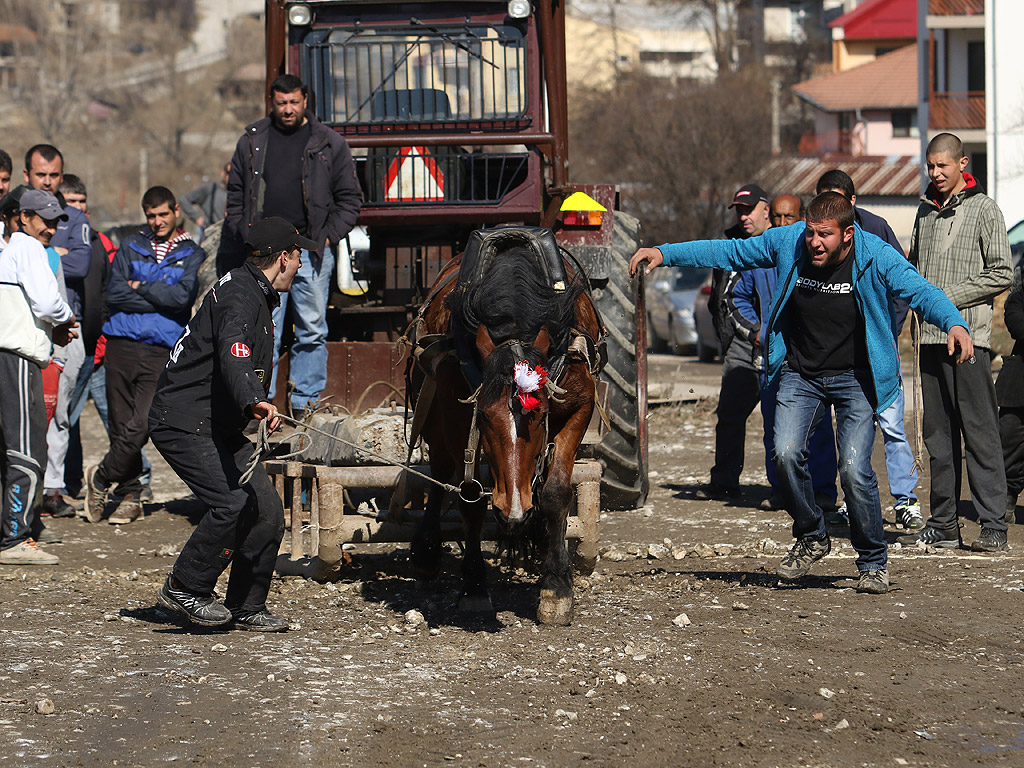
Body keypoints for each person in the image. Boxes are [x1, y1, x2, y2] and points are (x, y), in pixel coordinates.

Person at [629, 192, 973, 594]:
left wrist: (953, 323)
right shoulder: (788, 241)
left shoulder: (875, 254)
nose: (814, 242)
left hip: (856, 378)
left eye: (824, 235)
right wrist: (665, 253)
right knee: (786, 453)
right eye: (810, 232)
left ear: (848, 235)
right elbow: (731, 252)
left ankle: (873, 561)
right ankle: (812, 534)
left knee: (854, 469)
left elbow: (920, 291)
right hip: (800, 372)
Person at [151, 217, 309, 630]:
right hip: (183, 421)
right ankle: (184, 586)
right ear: (281, 258)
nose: (300, 266)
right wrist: (254, 400)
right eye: (298, 257)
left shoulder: (252, 289)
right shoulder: (240, 295)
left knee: (268, 509)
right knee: (231, 504)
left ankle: (246, 605)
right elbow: (234, 352)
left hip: (215, 423)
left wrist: (250, 403)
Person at [218, 73, 363, 413]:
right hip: (264, 253)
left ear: (305, 102)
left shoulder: (329, 143)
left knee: (312, 328)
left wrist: (325, 237)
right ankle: (256, 403)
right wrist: (245, 233)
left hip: (310, 251)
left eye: (293, 102)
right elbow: (236, 195)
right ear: (272, 102)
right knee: (261, 327)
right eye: (281, 103)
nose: (287, 109)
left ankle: (305, 404)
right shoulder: (252, 141)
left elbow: (350, 200)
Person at [901, 133, 1013, 552]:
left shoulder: (985, 209)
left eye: (943, 166)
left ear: (962, 163)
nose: (935, 173)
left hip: (971, 339)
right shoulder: (923, 213)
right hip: (928, 339)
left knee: (980, 432)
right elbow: (913, 270)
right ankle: (944, 522)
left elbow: (1002, 272)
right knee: (938, 436)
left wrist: (947, 297)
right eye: (930, 166)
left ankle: (994, 526)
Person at [84, 187, 204, 525]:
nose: (157, 221)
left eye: (163, 214)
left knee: (144, 422)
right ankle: (131, 496)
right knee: (120, 425)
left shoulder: (191, 252)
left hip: (161, 349)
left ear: (176, 210)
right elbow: (115, 291)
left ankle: (101, 476)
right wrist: (155, 295)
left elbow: (181, 298)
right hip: (121, 343)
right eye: (151, 216)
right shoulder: (130, 245)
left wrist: (139, 287)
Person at [816, 169, 923, 531]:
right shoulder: (814, 238)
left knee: (892, 423)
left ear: (853, 201)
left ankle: (906, 499)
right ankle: (853, 499)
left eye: (838, 198)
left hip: (878, 349)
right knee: (849, 430)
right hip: (841, 356)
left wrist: (887, 330)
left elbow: (902, 284)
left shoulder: (876, 230)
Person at [733, 196, 837, 513]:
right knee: (774, 427)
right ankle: (781, 488)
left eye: (788, 217)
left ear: (803, 218)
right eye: (776, 217)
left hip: (811, 359)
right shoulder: (762, 255)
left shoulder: (814, 255)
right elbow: (738, 297)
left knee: (817, 428)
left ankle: (822, 491)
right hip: (773, 359)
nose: (781, 224)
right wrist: (758, 331)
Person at [0, 190, 78, 565]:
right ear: (24, 217)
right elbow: (48, 303)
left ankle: (14, 528)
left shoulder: (9, 248)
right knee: (26, 448)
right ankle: (15, 537)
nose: (50, 228)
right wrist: (67, 317)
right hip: (16, 357)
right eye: (44, 220)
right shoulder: (27, 248)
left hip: (11, 355)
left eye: (55, 221)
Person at [696, 183, 771, 500]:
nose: (743, 216)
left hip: (780, 343)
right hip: (743, 340)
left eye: (749, 209)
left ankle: (787, 487)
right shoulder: (730, 244)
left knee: (781, 420)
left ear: (765, 210)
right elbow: (725, 297)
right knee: (729, 414)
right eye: (739, 210)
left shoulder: (782, 243)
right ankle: (724, 480)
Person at [998, 263, 1024, 526]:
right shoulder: (1018, 298)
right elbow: (1017, 324)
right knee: (1009, 436)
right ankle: (1006, 496)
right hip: (1019, 385)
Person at [179, 163, 230, 243]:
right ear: (223, 173)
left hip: (229, 238)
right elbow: (184, 200)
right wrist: (197, 217)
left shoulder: (239, 193)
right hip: (210, 237)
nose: (232, 177)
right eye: (229, 173)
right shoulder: (211, 189)